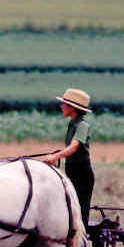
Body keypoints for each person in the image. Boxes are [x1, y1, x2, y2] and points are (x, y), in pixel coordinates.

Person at [41, 88, 94, 225]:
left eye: (64, 104)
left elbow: (74, 147)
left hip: (82, 173)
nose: (61, 106)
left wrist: (56, 156)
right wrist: (57, 153)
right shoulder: (72, 124)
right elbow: (72, 148)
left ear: (73, 108)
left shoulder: (82, 125)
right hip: (72, 169)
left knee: (79, 212)